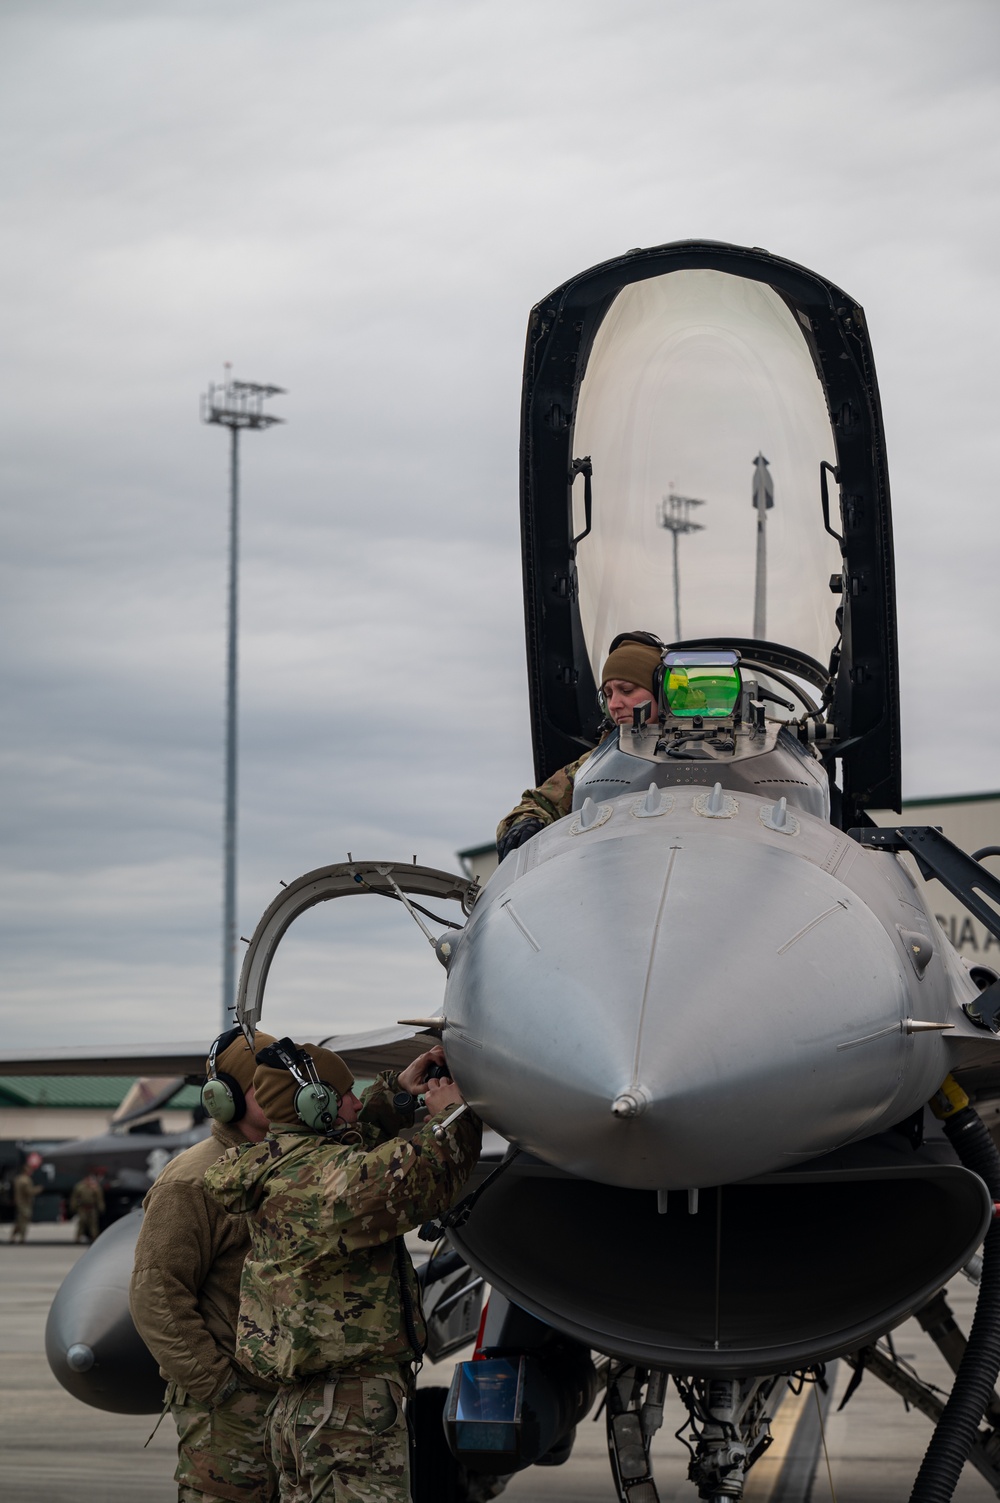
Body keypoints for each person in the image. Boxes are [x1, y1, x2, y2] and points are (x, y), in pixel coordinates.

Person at [204, 1037, 482, 1503]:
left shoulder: (278, 1166)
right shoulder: (331, 1185)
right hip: (347, 1412)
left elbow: (351, 1149)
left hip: (300, 1409)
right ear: (318, 1106)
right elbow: (423, 1178)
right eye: (346, 1094)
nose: (355, 1100)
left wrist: (397, 1091)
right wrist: (453, 1115)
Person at [130, 1026, 280, 1503]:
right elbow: (156, 1294)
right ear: (226, 1097)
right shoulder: (193, 1181)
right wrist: (219, 1387)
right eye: (265, 1084)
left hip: (286, 1401)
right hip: (231, 1409)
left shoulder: (284, 1164)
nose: (281, 1094)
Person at [496, 633, 664, 859]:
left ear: (659, 691)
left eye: (627, 690)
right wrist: (525, 823)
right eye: (608, 694)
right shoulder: (596, 765)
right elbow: (538, 803)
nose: (614, 704)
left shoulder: (718, 752)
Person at [69, 1171, 106, 1244]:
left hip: (92, 1208)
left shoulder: (95, 1186)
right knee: (82, 1223)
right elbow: (74, 1197)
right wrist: (74, 1206)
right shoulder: (80, 1186)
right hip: (83, 1208)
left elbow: (99, 1198)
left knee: (93, 1224)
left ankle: (94, 1238)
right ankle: (78, 1238)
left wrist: (101, 1207)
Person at [9, 1163, 42, 1244]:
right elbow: (29, 1192)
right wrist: (39, 1189)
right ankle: (22, 1238)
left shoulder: (18, 1179)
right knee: (24, 1221)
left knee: (19, 1220)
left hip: (19, 1202)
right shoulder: (26, 1180)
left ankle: (13, 1236)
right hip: (25, 1203)